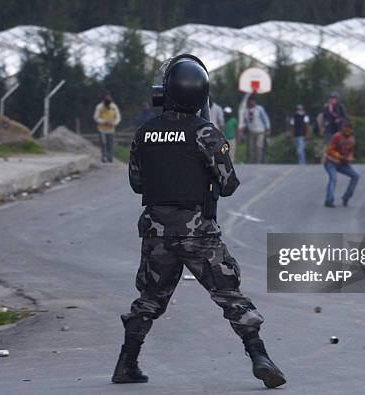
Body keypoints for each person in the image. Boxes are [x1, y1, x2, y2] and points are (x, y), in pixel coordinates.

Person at [113, 54, 286, 389]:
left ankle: (126, 363)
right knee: (229, 295)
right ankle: (259, 356)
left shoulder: (144, 133)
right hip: (199, 234)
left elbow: (137, 183)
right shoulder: (205, 133)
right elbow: (229, 184)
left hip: (156, 232)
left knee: (149, 299)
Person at [324, 120, 359, 208]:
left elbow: (350, 152)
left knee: (356, 176)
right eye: (346, 128)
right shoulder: (337, 136)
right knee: (333, 179)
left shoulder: (351, 139)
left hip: (343, 163)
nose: (347, 130)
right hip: (331, 162)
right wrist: (340, 156)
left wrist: (350, 157)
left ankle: (346, 197)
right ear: (342, 129)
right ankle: (329, 200)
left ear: (351, 130)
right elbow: (330, 150)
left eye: (349, 129)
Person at [238, 96, 271, 164]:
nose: (251, 103)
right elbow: (245, 122)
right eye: (250, 101)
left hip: (260, 131)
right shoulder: (246, 111)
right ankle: (252, 163)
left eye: (253, 101)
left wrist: (268, 128)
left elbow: (265, 119)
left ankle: (258, 162)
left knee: (259, 147)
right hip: (251, 132)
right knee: (251, 149)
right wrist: (242, 129)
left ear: (255, 101)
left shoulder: (259, 109)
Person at [93, 93, 121, 163]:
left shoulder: (113, 106)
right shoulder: (99, 107)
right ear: (103, 99)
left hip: (111, 129)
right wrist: (104, 122)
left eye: (109, 98)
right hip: (102, 129)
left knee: (110, 144)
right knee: (103, 143)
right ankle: (104, 157)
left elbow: (118, 117)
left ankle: (110, 157)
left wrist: (114, 123)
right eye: (107, 98)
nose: (108, 99)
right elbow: (96, 117)